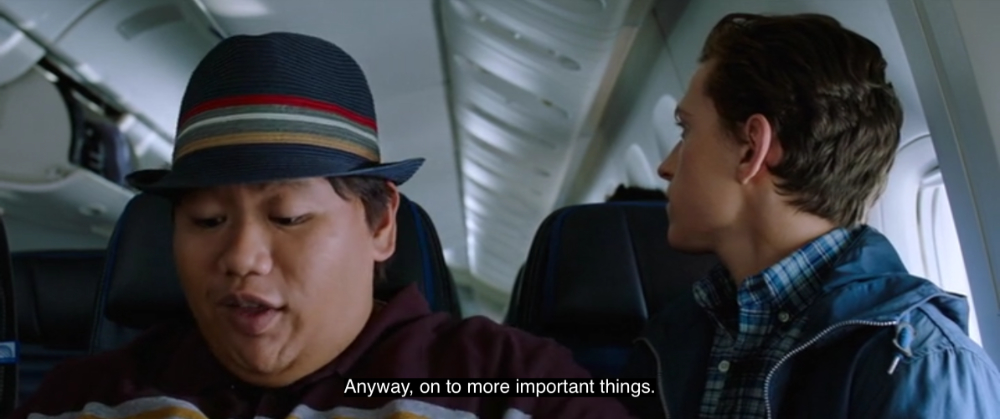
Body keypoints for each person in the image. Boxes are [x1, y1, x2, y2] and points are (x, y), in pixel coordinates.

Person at [12, 32, 632, 419]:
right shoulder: (88, 398)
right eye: (207, 219)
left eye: (288, 217)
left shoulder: (514, 384)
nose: (241, 257)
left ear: (381, 223)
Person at [622, 12, 1000, 419]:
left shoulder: (919, 365)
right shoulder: (680, 331)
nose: (665, 167)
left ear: (751, 149)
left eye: (686, 131)